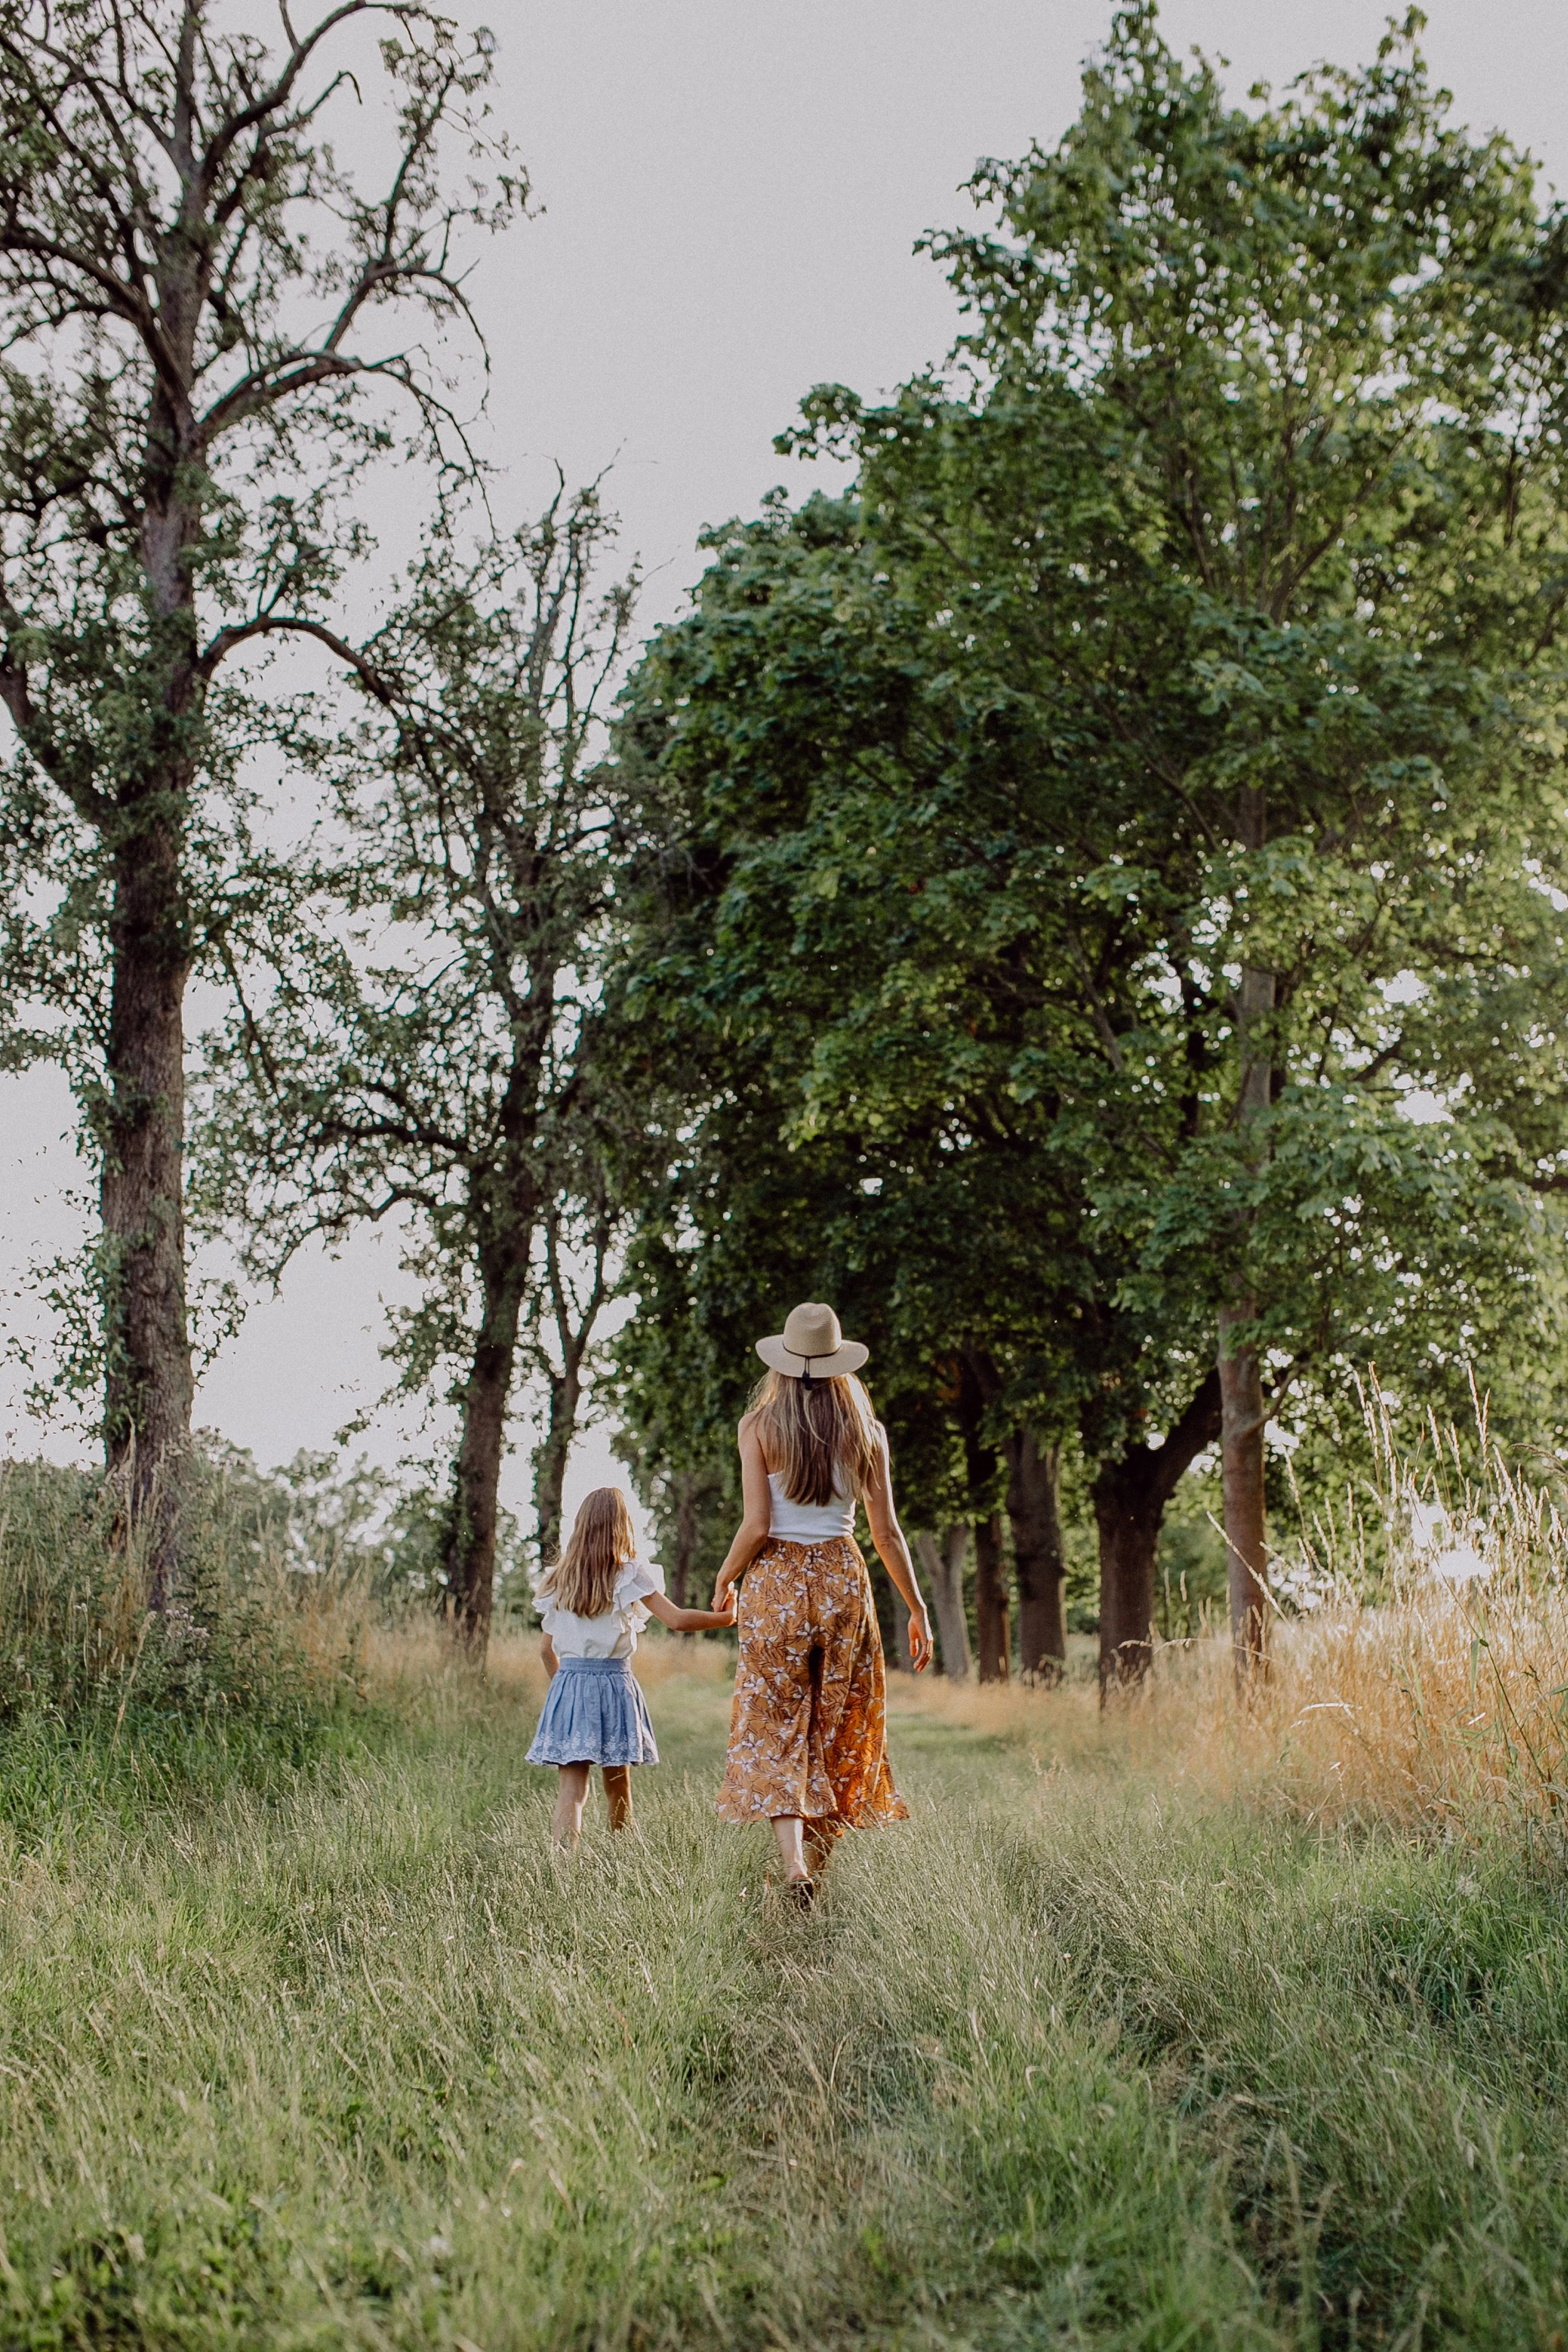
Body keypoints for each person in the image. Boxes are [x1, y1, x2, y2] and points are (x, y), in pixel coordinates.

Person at [712, 1302, 933, 1905]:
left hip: (776, 1583)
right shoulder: (867, 1433)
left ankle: (791, 1866)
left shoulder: (757, 1426)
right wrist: (917, 1607)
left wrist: (726, 1577)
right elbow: (885, 1534)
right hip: (841, 1580)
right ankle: (818, 1864)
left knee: (777, 1724)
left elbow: (756, 1525)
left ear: (783, 1362)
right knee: (838, 1727)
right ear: (839, 1364)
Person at [530, 1486, 736, 1849]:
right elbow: (677, 1620)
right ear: (622, 1526)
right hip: (612, 1684)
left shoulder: (558, 1579)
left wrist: (564, 1690)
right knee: (617, 1782)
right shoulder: (627, 1575)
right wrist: (725, 1619)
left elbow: (547, 1650)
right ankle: (619, 1852)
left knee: (572, 1789)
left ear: (580, 1526)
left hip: (569, 1684)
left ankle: (563, 1866)